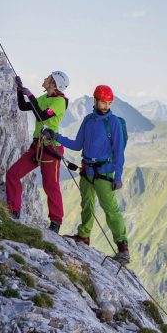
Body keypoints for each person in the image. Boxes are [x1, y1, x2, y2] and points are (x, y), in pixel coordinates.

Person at [48, 84, 130, 264]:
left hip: (104, 173)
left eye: (108, 103)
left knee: (110, 209)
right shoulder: (88, 120)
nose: (106, 106)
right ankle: (84, 236)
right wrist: (56, 137)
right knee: (87, 204)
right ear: (95, 101)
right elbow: (78, 144)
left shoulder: (113, 122)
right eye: (103, 102)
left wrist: (118, 177)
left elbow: (119, 153)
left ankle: (123, 248)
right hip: (87, 170)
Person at [5, 71, 70, 232]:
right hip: (37, 147)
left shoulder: (59, 102)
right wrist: (20, 91)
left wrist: (31, 96)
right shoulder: (46, 98)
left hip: (49, 147)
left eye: (48, 78)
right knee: (12, 174)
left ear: (54, 84)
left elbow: (41, 116)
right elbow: (24, 106)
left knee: (50, 186)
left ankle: (56, 221)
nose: (45, 79)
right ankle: (13, 211)